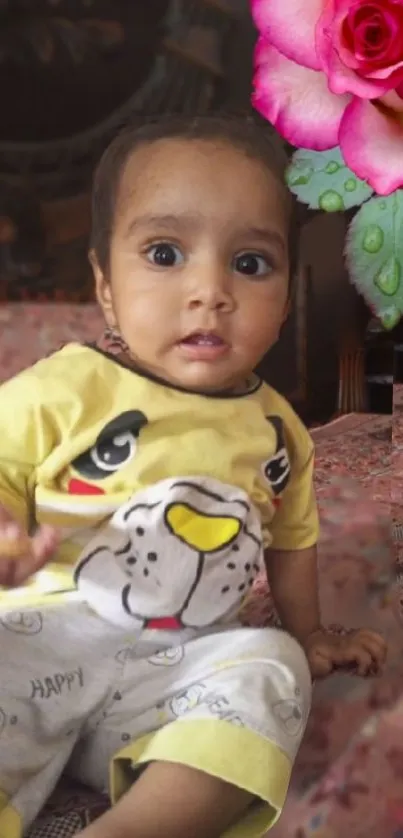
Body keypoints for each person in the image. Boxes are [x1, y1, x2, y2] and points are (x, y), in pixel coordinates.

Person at [0, 114, 386, 838]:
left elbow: (292, 539)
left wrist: (306, 634)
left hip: (175, 671)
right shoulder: (67, 386)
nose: (210, 290)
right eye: (164, 252)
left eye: (249, 264)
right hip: (40, 638)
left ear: (285, 296)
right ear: (104, 284)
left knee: (269, 666)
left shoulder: (276, 429)